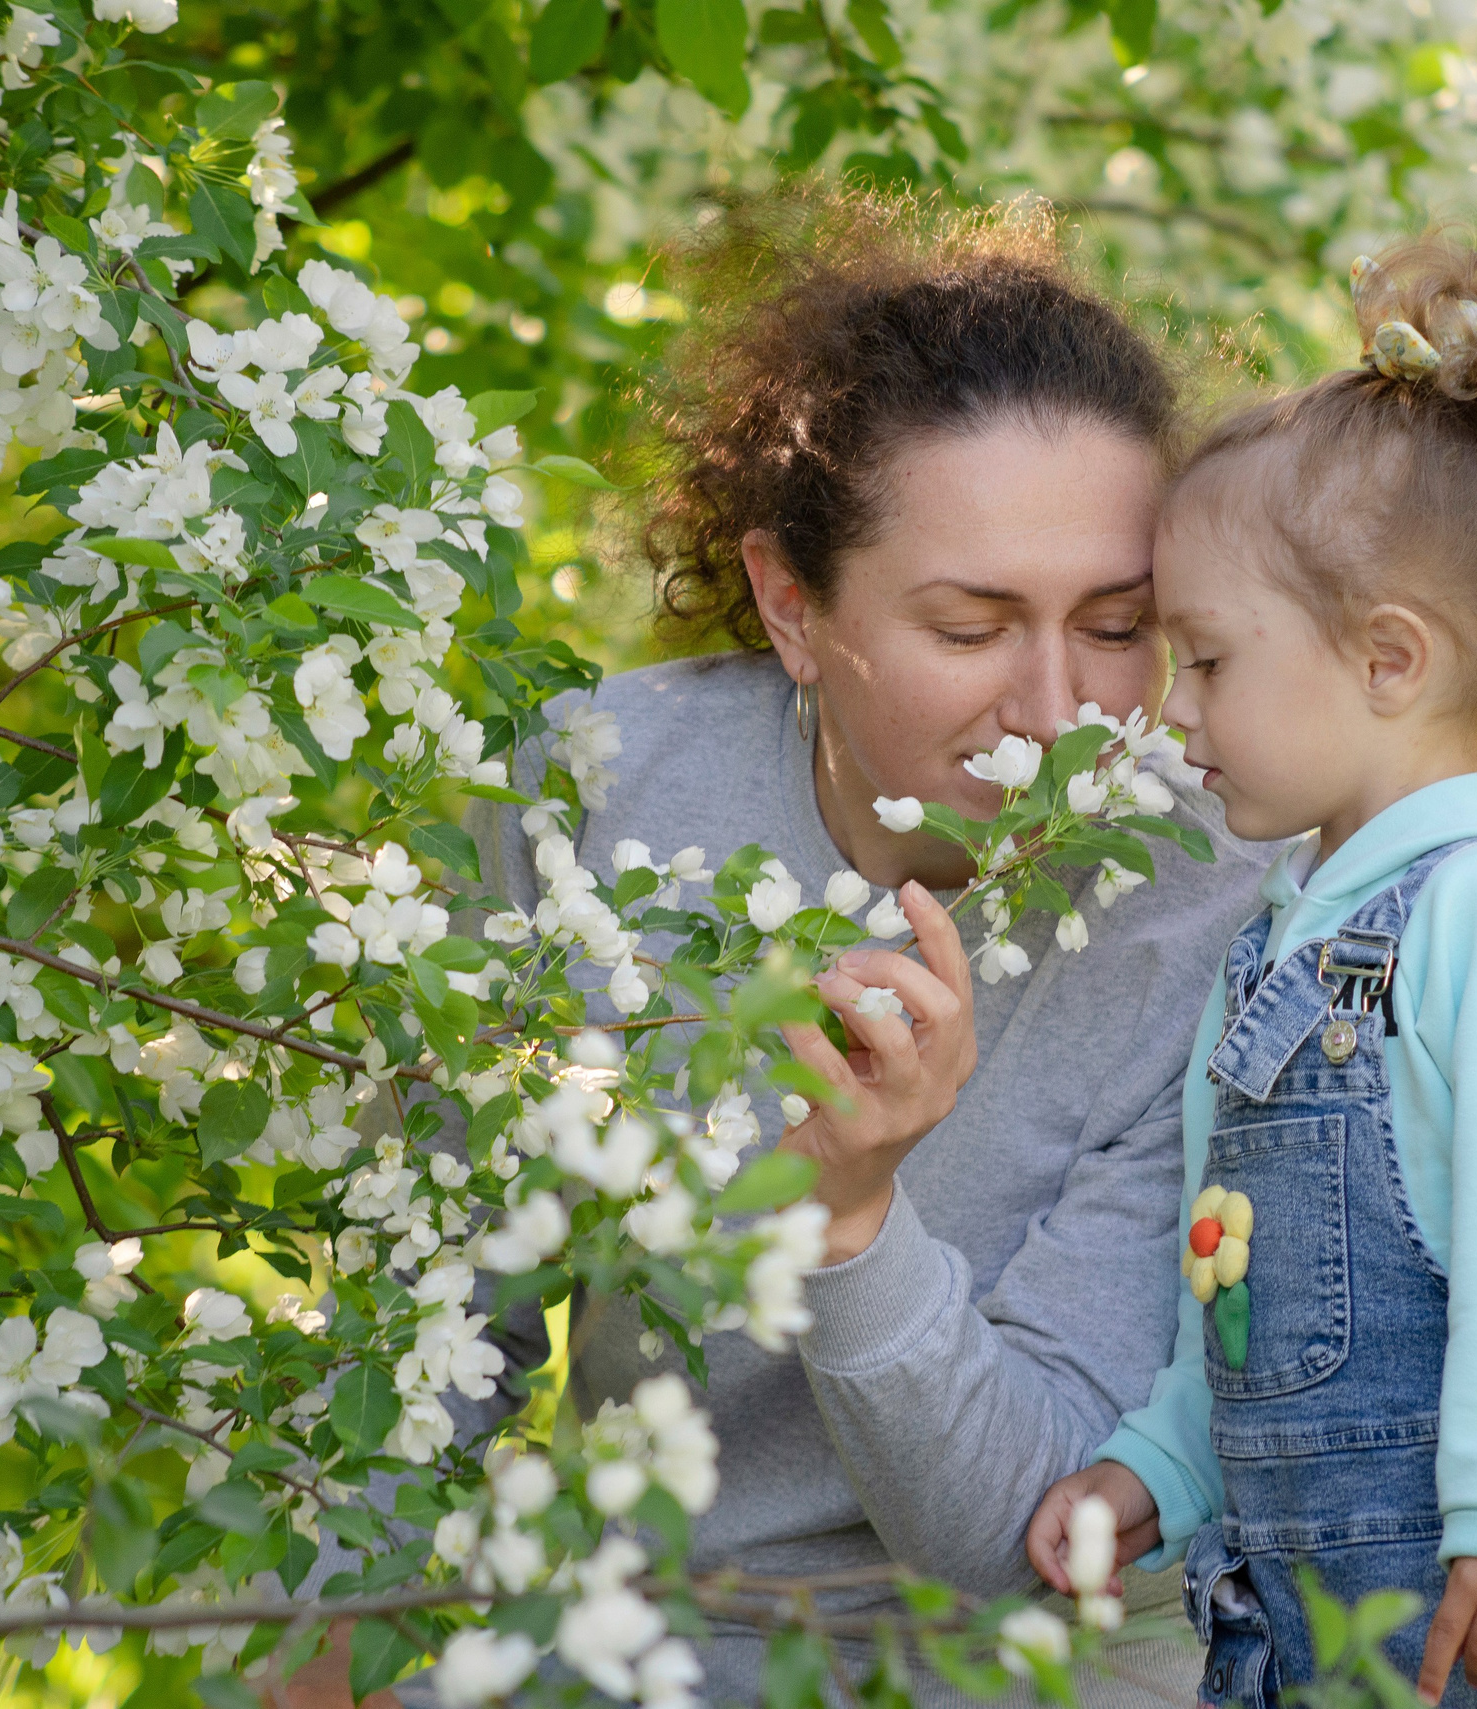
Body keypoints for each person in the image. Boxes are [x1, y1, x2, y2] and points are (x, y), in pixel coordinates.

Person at [286, 194, 1271, 1709]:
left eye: (1120, 623)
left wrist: (852, 1216)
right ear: (792, 606)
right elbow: (429, 1305)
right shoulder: (593, 797)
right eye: (972, 627)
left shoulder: (1218, 897)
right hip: (640, 1640)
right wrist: (348, 1603)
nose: (1061, 710)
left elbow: (1019, 1547)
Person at [1024, 231, 1477, 1708]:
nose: (1172, 711)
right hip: (1305, 1630)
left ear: (1389, 660)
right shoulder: (1291, 927)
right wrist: (1157, 1462)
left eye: (1208, 661)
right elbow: (1251, 1285)